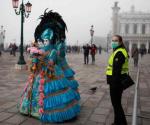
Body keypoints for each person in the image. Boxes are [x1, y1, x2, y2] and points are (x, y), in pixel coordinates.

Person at [18, 10, 80, 123]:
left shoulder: (54, 50)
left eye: (45, 41)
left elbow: (51, 61)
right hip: (39, 71)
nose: (43, 43)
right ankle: (31, 109)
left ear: (51, 39)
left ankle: (48, 112)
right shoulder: (40, 46)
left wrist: (45, 56)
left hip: (50, 72)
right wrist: (35, 57)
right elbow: (36, 58)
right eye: (41, 41)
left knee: (51, 90)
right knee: (35, 87)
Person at [106, 35, 129, 125]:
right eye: (112, 40)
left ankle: (120, 123)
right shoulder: (120, 51)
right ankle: (118, 122)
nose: (113, 42)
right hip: (118, 82)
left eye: (115, 40)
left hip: (116, 83)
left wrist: (114, 84)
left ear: (120, 42)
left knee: (116, 105)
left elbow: (116, 70)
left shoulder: (119, 52)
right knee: (117, 104)